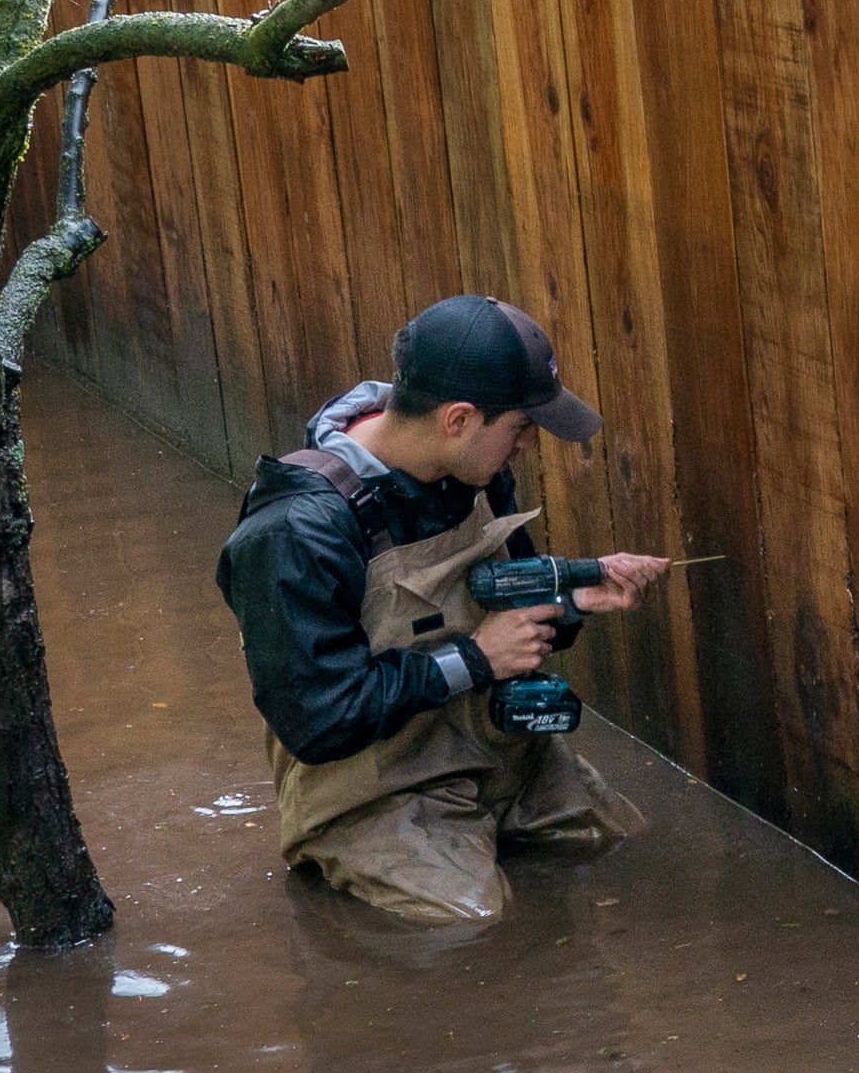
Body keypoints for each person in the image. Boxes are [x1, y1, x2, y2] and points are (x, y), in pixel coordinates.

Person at [214, 296, 668, 924]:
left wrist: (569, 596)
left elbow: (504, 598)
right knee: (470, 927)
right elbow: (320, 722)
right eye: (521, 428)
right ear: (458, 419)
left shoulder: (474, 469)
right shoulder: (296, 532)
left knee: (617, 842)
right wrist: (476, 659)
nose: (528, 447)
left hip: (498, 753)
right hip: (374, 789)